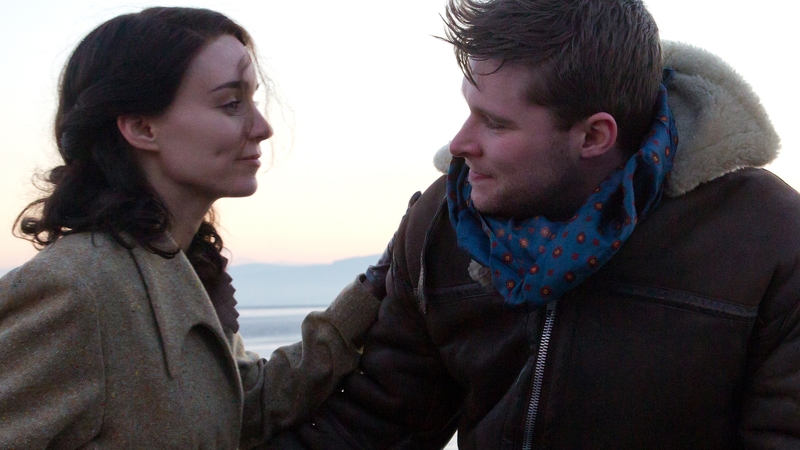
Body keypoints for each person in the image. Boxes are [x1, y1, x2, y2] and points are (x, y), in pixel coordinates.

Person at [266, 0, 800, 448]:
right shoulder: (443, 221)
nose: (459, 143)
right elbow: (376, 424)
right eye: (470, 109)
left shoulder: (768, 239)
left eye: (495, 123)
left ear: (594, 136)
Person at [0, 7, 384, 449]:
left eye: (253, 101)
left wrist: (381, 284)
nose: (262, 128)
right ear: (142, 128)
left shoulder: (179, 268)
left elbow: (241, 405)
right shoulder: (75, 288)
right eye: (231, 104)